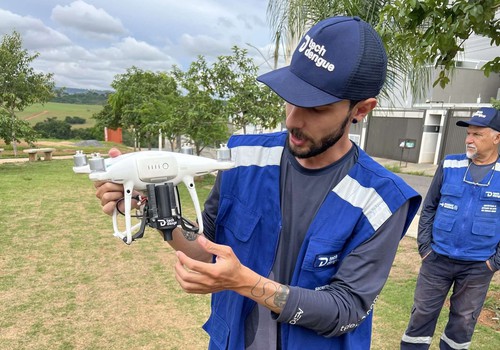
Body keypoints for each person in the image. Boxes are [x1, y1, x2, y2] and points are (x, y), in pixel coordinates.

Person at [96, 16, 421, 349]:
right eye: (291, 97)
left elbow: (346, 310)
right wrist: (153, 204)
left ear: (361, 110)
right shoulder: (243, 156)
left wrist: (243, 282)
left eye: (317, 108)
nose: (294, 119)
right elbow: (206, 247)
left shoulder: (382, 199)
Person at [401, 107, 500, 349]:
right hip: (437, 260)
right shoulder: (450, 164)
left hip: (478, 266)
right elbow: (429, 208)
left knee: (463, 322)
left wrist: (494, 262)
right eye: (468, 133)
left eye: (477, 134)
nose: (469, 139)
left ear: (496, 137)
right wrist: (425, 247)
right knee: (421, 314)